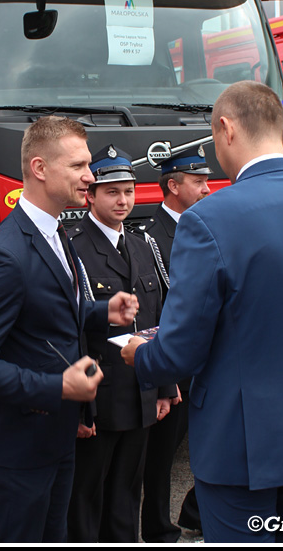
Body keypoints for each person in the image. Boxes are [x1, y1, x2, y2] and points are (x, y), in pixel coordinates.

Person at [121, 81, 283, 543]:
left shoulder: (208, 220)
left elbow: (179, 352)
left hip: (245, 444)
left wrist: (139, 354)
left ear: (225, 128)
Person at [0, 116, 139, 543]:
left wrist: (100, 311)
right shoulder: (6, 255)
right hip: (19, 448)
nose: (89, 178)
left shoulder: (57, 232)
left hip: (56, 436)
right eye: (78, 167)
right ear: (39, 169)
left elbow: (48, 314)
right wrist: (57, 388)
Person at [66, 145, 176, 543]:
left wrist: (164, 384)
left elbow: (156, 319)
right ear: (90, 195)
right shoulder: (72, 247)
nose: (123, 200)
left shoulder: (143, 244)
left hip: (141, 390)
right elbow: (73, 331)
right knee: (86, 496)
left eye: (128, 191)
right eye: (112, 191)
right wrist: (82, 408)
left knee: (128, 494)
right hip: (99, 393)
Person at [137, 144, 211, 542]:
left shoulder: (205, 225)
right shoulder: (151, 236)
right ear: (173, 185)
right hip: (175, 359)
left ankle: (197, 511)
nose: (206, 189)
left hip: (206, 356)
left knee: (207, 440)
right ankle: (156, 525)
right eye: (198, 182)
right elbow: (157, 306)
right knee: (162, 452)